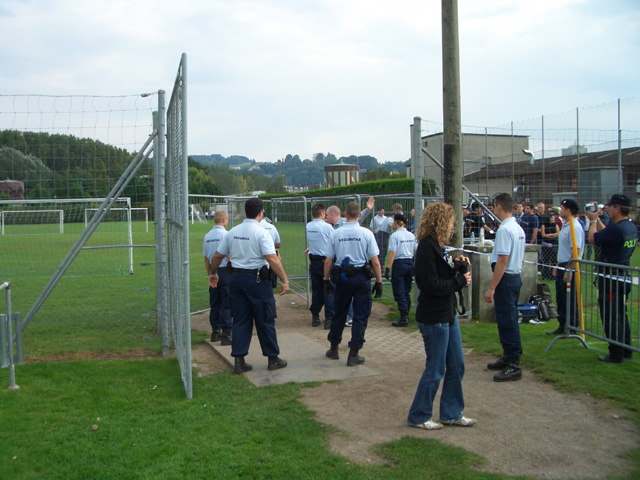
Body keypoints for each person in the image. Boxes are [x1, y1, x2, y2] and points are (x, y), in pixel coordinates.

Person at [406, 202, 475, 430]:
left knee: (457, 364)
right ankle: (419, 416)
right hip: (433, 315)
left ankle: (451, 413)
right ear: (442, 222)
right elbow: (430, 284)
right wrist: (459, 281)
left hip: (447, 313)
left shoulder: (438, 246)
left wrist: (457, 266)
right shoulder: (427, 247)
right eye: (451, 221)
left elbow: (440, 273)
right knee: (435, 368)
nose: (453, 225)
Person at [208, 197, 290, 374]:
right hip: (258, 280)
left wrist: (213, 273)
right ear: (261, 213)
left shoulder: (232, 232)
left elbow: (217, 256)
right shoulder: (262, 233)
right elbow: (272, 258)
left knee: (240, 319)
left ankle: (239, 360)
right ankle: (272, 358)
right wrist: (284, 279)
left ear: (245, 212)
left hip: (236, 279)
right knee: (265, 319)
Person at [324, 202, 383, 366]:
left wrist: (326, 280)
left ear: (345, 214)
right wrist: (379, 282)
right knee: (361, 315)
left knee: (339, 313)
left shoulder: (336, 233)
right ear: (359, 215)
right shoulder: (366, 233)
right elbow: (375, 261)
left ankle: (334, 348)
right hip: (361, 277)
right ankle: (354, 353)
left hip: (342, 278)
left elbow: (328, 261)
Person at [587, 194, 637, 363]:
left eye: (610, 206)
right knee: (621, 313)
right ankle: (626, 348)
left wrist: (593, 221)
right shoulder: (629, 227)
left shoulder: (616, 229)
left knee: (610, 315)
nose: (607, 209)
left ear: (618, 208)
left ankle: (615, 353)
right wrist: (598, 220)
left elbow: (593, 239)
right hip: (623, 275)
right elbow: (607, 233)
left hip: (611, 278)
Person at [484, 193, 526, 382]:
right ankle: (508, 356)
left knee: (507, 320)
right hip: (514, 276)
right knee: (506, 318)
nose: (493, 209)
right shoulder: (517, 228)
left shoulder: (505, 229)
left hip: (507, 279)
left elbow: (502, 260)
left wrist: (492, 287)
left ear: (499, 206)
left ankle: (513, 363)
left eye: (494, 206)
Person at [547, 199, 585, 336]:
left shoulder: (575, 227)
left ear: (568, 210)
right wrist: (558, 265)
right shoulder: (566, 225)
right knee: (561, 297)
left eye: (562, 208)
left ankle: (572, 326)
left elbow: (576, 250)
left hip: (570, 266)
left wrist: (570, 269)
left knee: (570, 297)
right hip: (562, 264)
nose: (560, 211)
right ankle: (562, 324)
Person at [203, 210, 232, 344]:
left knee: (215, 302)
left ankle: (215, 332)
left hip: (213, 271)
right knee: (226, 302)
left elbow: (206, 258)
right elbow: (229, 255)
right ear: (224, 220)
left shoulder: (207, 236)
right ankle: (226, 334)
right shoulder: (226, 235)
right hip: (225, 271)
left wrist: (210, 273)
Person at [384, 213, 416, 327]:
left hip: (399, 263)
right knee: (406, 290)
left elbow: (393, 252)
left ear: (396, 222)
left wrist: (387, 268)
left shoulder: (395, 236)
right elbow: (415, 251)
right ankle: (406, 312)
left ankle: (403, 316)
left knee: (399, 290)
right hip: (410, 262)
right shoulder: (411, 235)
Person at [306, 203, 334, 330]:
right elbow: (333, 241)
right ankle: (329, 318)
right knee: (328, 289)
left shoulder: (308, 226)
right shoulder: (327, 227)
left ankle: (315, 315)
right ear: (322, 213)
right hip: (325, 261)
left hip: (314, 261)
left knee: (317, 289)